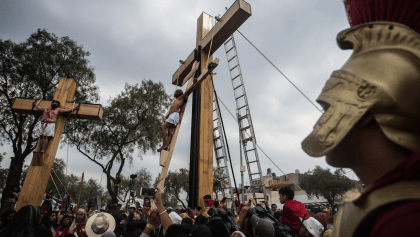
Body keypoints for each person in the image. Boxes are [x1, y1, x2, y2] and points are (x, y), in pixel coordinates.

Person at [301, 1, 420, 236]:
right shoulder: (383, 208)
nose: (318, 124)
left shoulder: (405, 222)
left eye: (329, 108)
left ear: (366, 111)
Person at [158, 78, 197, 152]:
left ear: (180, 94)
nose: (176, 92)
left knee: (162, 127)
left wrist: (194, 83)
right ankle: (166, 146)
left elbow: (188, 91)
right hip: (172, 116)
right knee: (170, 133)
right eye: (176, 92)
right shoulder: (175, 100)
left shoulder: (181, 98)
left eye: (178, 92)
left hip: (174, 115)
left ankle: (164, 145)